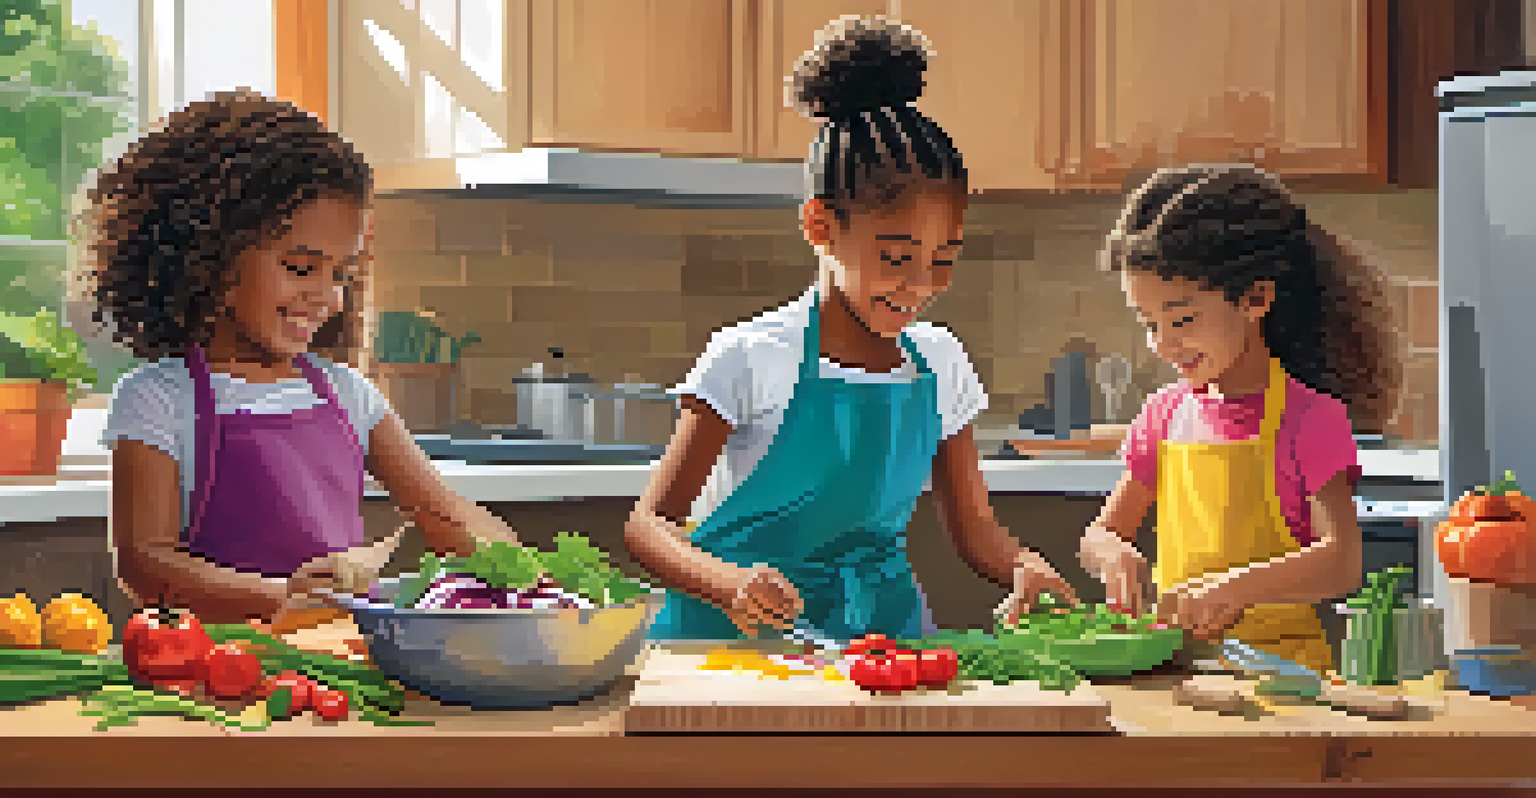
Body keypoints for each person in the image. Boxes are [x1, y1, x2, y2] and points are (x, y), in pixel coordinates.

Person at [626, 16, 1077, 642]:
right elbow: (649, 527)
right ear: (820, 226)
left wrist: (1022, 566)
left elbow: (976, 532)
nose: (921, 284)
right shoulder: (752, 357)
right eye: (896, 257)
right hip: (734, 644)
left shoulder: (939, 363)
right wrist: (728, 583)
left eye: (943, 258)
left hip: (881, 636)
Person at [83, 90, 519, 625]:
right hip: (215, 660)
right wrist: (284, 597)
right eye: (300, 268)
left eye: (341, 274)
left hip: (337, 656)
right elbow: (145, 566)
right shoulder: (157, 400)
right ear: (211, 258)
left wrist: (538, 583)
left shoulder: (348, 395)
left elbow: (445, 516)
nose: (328, 297)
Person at [1066, 164, 1401, 675]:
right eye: (1149, 323)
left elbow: (1341, 562)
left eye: (1182, 320)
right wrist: (1111, 553)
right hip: (1178, 673)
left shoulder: (1311, 420)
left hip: (1283, 682)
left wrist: (1232, 590)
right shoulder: (1163, 415)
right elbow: (1099, 534)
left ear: (1255, 299)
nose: (1163, 344)